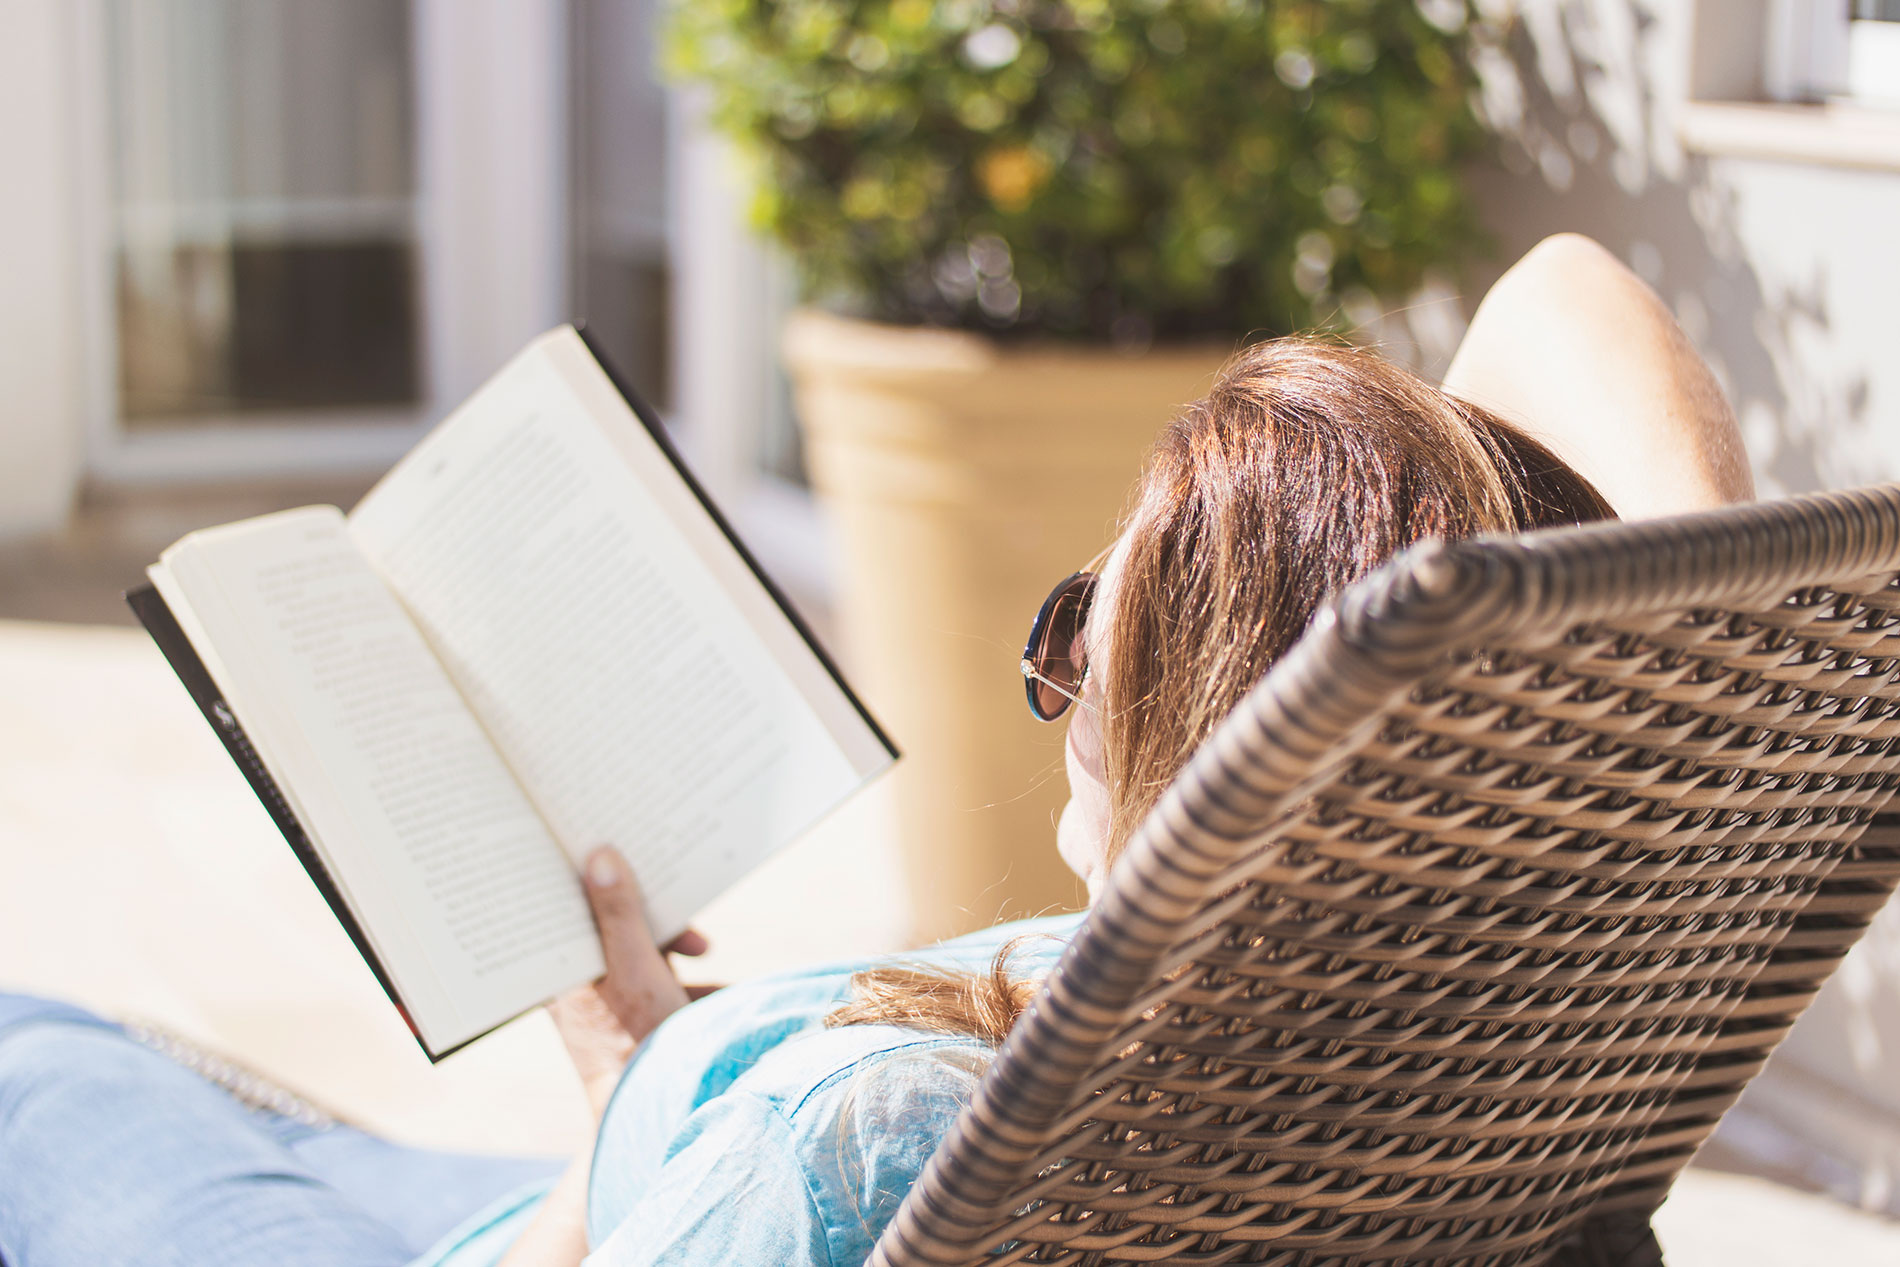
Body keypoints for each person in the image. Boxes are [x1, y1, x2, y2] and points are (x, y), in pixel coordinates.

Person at [0, 235, 1754, 1267]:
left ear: (1214, 741)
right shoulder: (1492, 1000)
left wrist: (624, 1163)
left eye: (1086, 635)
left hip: (552, 1231)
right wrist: (1676, 686)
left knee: (32, 1067)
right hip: (643, 1157)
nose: (1055, 685)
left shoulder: (878, 1141)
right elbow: (1568, 292)